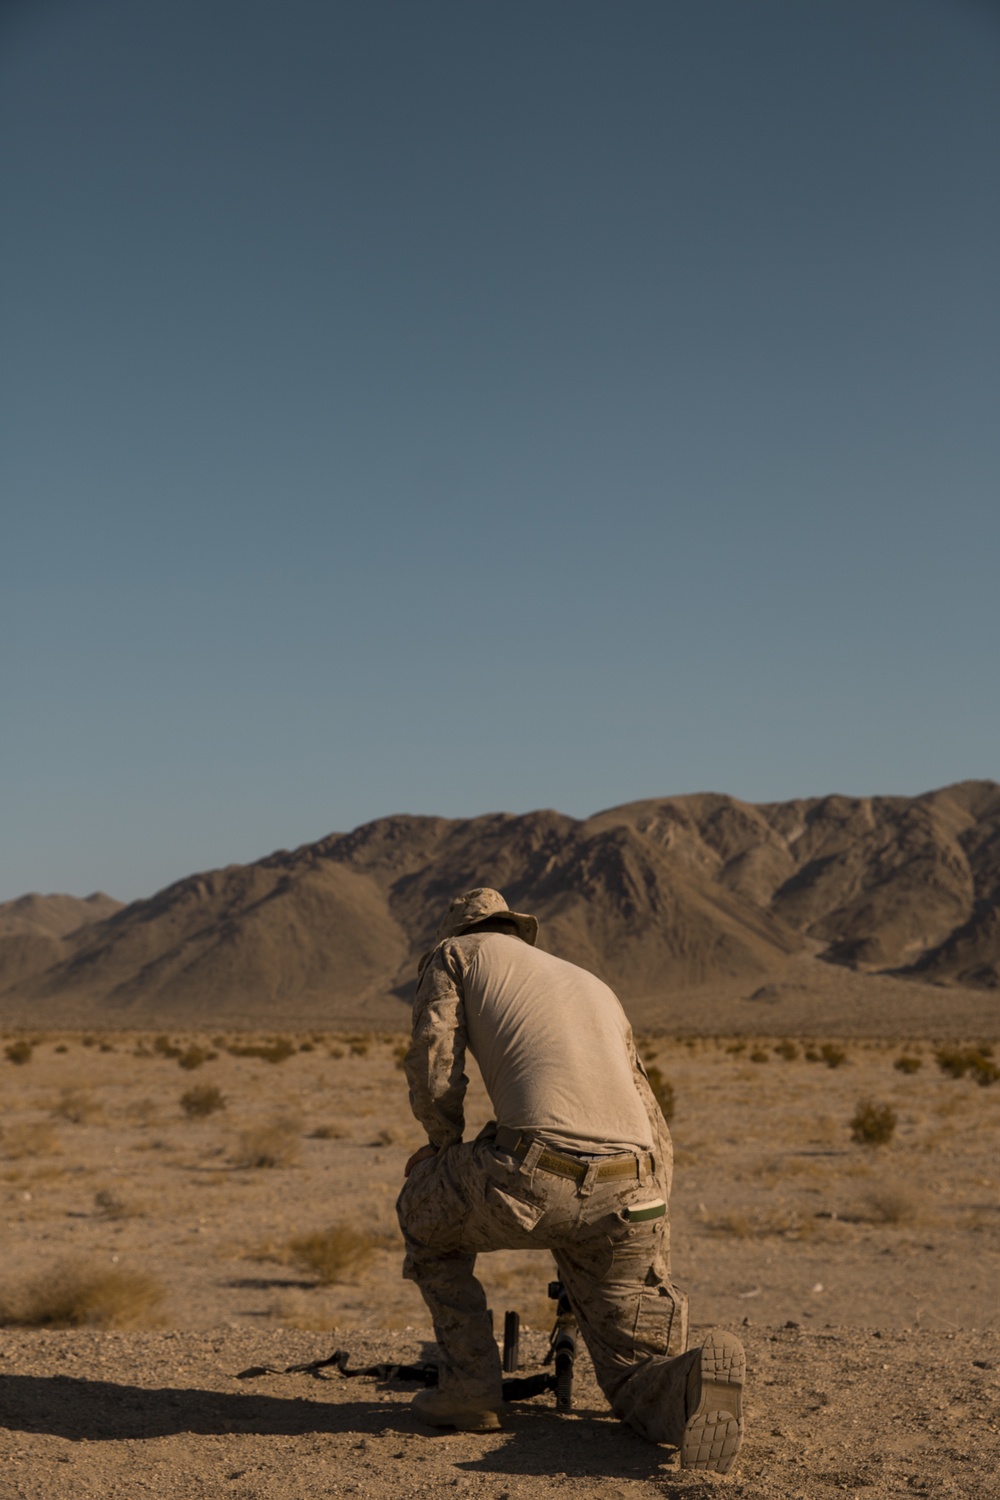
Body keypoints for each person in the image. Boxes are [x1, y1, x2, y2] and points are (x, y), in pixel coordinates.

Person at [396, 887, 745, 1475]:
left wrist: (439, 1151)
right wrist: (654, 1217)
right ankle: (687, 1387)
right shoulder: (591, 983)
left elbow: (435, 1064)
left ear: (457, 931)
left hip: (533, 1176)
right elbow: (650, 1112)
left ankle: (469, 1388)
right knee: (629, 1373)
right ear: (516, 929)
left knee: (421, 1211)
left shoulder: (454, 957)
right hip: (635, 1185)